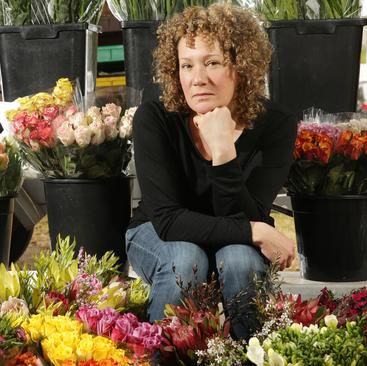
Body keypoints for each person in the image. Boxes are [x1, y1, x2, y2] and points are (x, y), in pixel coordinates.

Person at [125, 4, 297, 339]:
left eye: (212, 62)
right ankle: (158, 356)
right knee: (185, 260)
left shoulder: (275, 124)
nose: (197, 78)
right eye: (186, 65)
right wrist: (256, 232)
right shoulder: (155, 119)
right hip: (157, 233)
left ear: (242, 66)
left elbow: (246, 212)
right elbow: (169, 219)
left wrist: (223, 152)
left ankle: (251, 357)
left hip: (234, 237)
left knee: (240, 261)